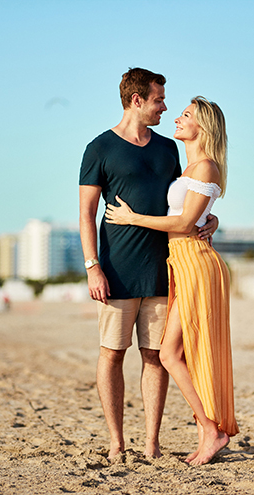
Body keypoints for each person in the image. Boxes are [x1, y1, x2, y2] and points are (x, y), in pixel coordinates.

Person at [79, 69, 218, 461]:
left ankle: (151, 443)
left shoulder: (166, 149)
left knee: (155, 356)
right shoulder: (99, 148)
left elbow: (184, 201)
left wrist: (213, 218)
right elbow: (86, 213)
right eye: (159, 99)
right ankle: (116, 442)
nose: (165, 106)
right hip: (116, 272)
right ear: (137, 101)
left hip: (163, 270)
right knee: (112, 354)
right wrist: (93, 266)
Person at [104, 96, 238, 466]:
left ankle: (211, 432)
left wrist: (133, 219)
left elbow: (181, 224)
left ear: (204, 127)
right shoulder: (192, 167)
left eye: (186, 115)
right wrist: (213, 220)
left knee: (169, 354)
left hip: (195, 264)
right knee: (187, 354)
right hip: (181, 264)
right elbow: (193, 216)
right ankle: (207, 436)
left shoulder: (206, 167)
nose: (176, 118)